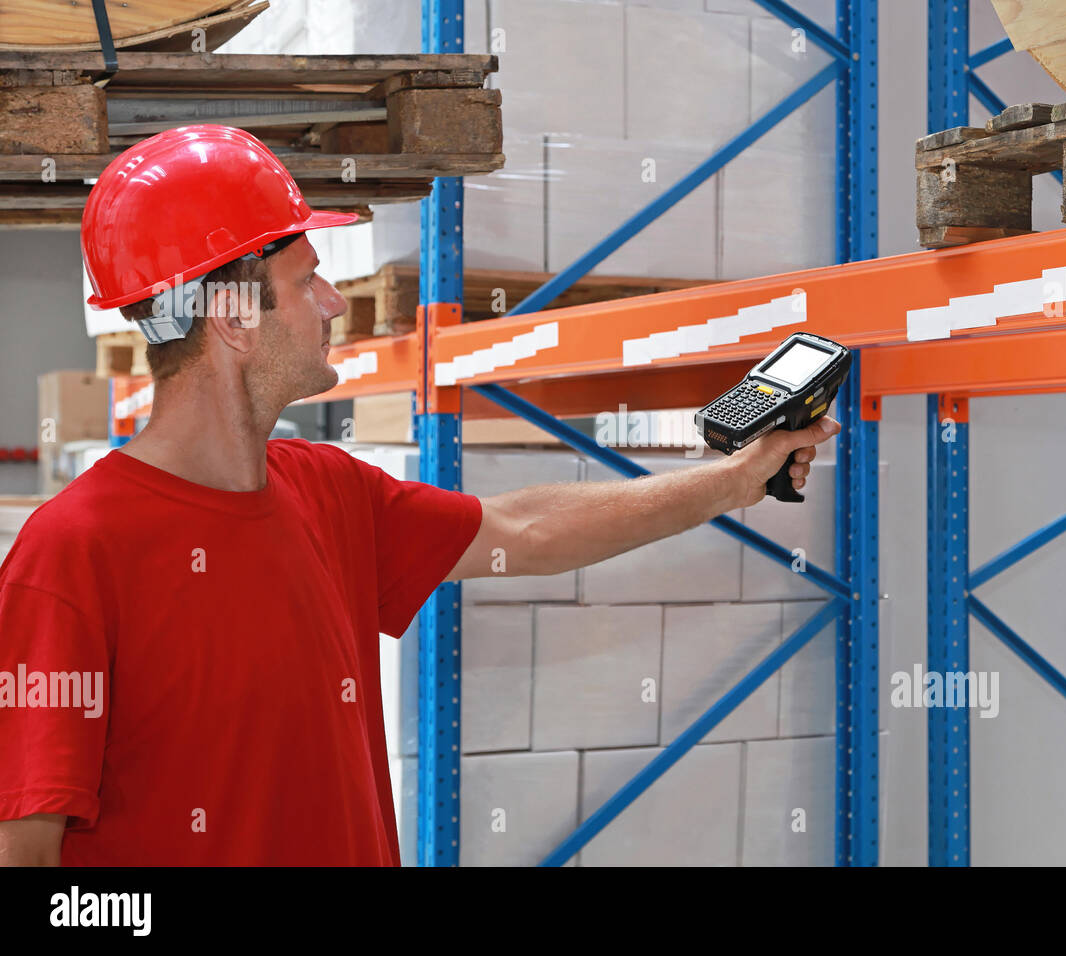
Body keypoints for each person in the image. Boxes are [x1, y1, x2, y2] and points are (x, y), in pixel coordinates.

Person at [0, 125, 839, 866]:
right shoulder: (74, 552)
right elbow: (29, 856)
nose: (334, 303)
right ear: (230, 317)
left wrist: (732, 479)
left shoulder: (324, 490)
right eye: (305, 282)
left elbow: (527, 529)